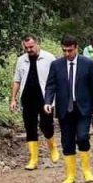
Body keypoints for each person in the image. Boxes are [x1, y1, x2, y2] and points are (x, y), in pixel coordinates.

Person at [43, 36, 93, 183]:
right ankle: (70, 175)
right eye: (64, 50)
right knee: (67, 141)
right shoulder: (56, 65)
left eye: (70, 50)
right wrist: (48, 102)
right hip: (64, 108)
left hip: (82, 107)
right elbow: (50, 85)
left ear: (76, 47)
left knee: (83, 136)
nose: (67, 53)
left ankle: (87, 171)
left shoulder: (87, 64)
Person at [10, 35, 59, 170]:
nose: (29, 50)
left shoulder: (49, 58)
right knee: (29, 127)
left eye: (31, 47)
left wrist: (56, 97)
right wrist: (13, 99)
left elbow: (56, 79)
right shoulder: (21, 60)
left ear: (38, 44)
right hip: (27, 98)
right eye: (26, 48)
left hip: (45, 98)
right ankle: (33, 159)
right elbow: (17, 80)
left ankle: (52, 146)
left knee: (46, 125)